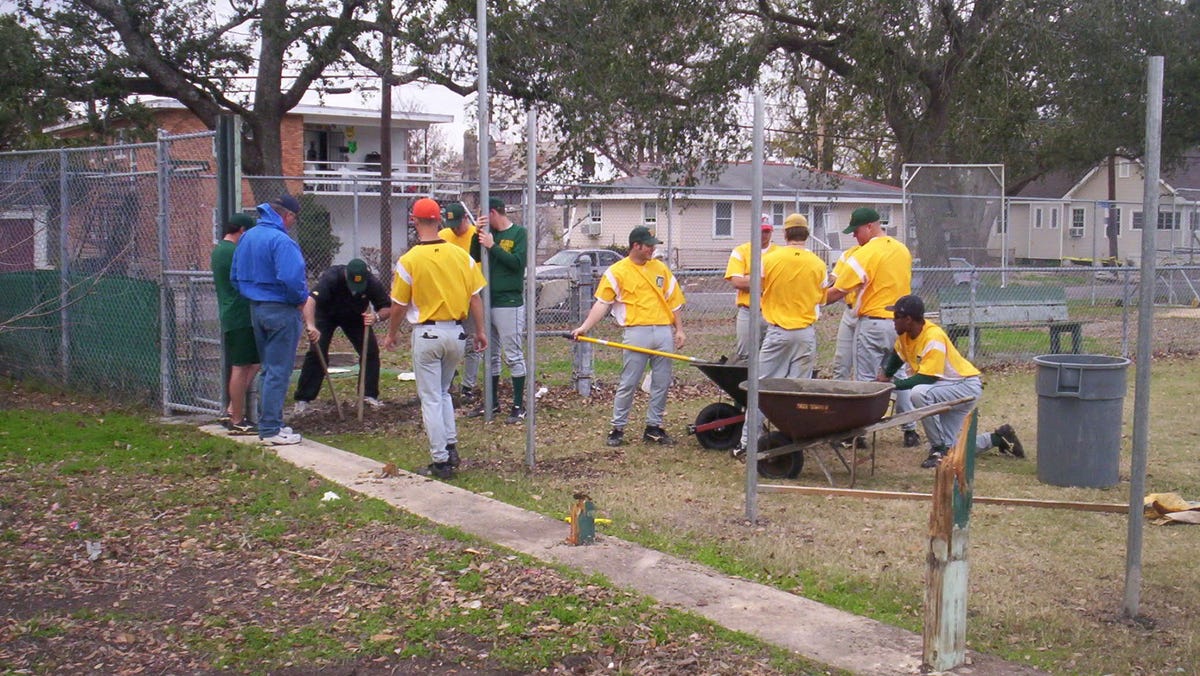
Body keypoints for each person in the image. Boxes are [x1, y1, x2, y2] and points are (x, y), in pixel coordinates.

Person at [384, 197, 487, 480]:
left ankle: (440, 460)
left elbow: (399, 305)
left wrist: (391, 334)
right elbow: (475, 297)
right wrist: (480, 331)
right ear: (439, 220)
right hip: (457, 332)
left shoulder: (409, 260)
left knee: (430, 397)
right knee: (443, 393)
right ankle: (451, 446)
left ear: (414, 221)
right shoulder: (461, 256)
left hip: (427, 333)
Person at [877, 295, 1025, 468]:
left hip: (964, 385)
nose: (892, 321)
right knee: (953, 447)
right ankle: (998, 438)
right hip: (946, 387)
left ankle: (938, 450)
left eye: (896, 317)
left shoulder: (933, 337)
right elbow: (897, 356)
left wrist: (893, 385)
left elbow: (927, 377)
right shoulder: (906, 335)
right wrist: (886, 375)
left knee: (919, 393)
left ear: (908, 319)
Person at [571, 226, 686, 447]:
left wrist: (678, 329)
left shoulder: (660, 269)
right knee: (629, 382)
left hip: (663, 330)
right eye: (648, 246)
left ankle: (654, 427)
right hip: (636, 332)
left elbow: (674, 301)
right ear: (636, 245)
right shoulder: (617, 271)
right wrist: (584, 328)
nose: (652, 249)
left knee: (661, 382)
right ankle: (618, 428)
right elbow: (602, 304)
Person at [824, 207, 920, 448]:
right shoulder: (902, 250)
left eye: (856, 231)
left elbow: (837, 292)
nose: (855, 237)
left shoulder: (865, 254)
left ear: (869, 227)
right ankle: (910, 430)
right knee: (897, 375)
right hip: (900, 324)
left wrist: (805, 299)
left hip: (873, 324)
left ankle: (860, 433)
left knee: (866, 380)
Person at [737, 214, 827, 453]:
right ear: (806, 234)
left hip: (778, 332)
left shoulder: (770, 259)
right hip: (806, 334)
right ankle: (795, 441)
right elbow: (823, 296)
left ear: (785, 234)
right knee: (798, 392)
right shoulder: (818, 264)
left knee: (761, 388)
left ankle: (748, 443)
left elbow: (758, 285)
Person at [231, 194, 313, 446]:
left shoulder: (248, 237)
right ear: (287, 215)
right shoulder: (281, 241)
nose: (292, 224)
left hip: (257, 308)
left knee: (268, 368)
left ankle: (271, 423)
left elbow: (235, 275)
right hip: (281, 309)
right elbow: (292, 278)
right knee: (279, 370)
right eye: (293, 219)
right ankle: (270, 429)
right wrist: (299, 300)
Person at [293, 259, 392, 413]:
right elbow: (310, 300)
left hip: (355, 316)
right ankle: (303, 400)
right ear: (346, 275)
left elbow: (386, 307)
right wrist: (311, 326)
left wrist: (376, 317)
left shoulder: (371, 282)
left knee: (371, 352)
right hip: (326, 315)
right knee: (317, 352)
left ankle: (368, 396)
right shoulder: (331, 278)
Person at [467, 197, 529, 424]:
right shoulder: (486, 235)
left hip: (509, 302)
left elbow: (516, 263)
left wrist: (492, 246)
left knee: (513, 354)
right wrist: (477, 234)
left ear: (493, 212)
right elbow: (473, 257)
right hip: (488, 300)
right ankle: (491, 402)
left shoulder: (518, 234)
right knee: (490, 354)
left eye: (484, 215)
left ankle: (518, 405)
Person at [211, 213, 260, 434]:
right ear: (241, 230)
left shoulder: (220, 249)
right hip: (240, 314)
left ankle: (232, 409)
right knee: (241, 366)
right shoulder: (233, 252)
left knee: (255, 361)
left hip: (232, 313)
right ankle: (238, 420)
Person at [437, 202, 484, 403]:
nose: (455, 228)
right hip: (447, 299)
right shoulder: (443, 237)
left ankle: (468, 387)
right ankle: (446, 385)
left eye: (458, 223)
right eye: (451, 224)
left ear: (466, 218)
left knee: (472, 344)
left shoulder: (476, 235)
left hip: (470, 296)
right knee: (446, 344)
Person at [724, 217, 774, 363]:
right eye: (760, 231)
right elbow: (737, 282)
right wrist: (768, 281)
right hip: (747, 311)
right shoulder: (740, 251)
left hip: (772, 311)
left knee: (770, 357)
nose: (763, 235)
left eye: (766, 231)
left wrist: (749, 278)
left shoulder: (779, 252)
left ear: (771, 231)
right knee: (745, 356)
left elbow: (783, 282)